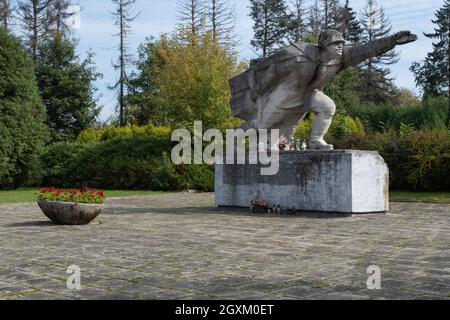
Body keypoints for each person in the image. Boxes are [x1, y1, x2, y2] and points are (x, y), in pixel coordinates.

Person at [230, 29, 417, 150]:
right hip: (284, 97)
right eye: (337, 44)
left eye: (342, 44)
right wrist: (258, 90)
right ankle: (237, 136)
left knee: (328, 107)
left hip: (308, 96)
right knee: (262, 126)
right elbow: (273, 72)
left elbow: (367, 49)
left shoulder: (341, 58)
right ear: (324, 46)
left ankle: (316, 140)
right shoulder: (298, 57)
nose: (341, 48)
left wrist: (392, 40)